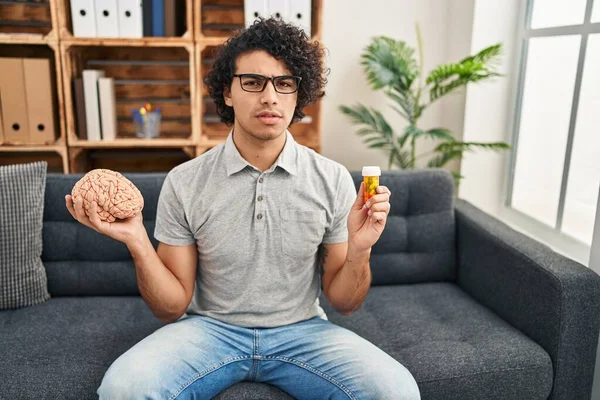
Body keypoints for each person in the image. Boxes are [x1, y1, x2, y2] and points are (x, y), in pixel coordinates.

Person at [65, 17, 420, 400]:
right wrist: (136, 239)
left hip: (302, 331)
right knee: (124, 390)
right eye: (253, 82)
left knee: (395, 391)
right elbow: (170, 308)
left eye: (284, 83)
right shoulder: (185, 181)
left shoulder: (331, 179)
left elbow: (345, 303)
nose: (270, 97)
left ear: (298, 95)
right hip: (209, 330)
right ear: (228, 92)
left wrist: (360, 247)